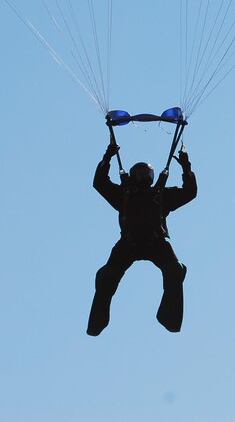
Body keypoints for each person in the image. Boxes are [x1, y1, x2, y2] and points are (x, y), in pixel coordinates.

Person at [87, 141, 197, 336]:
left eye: (147, 174)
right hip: (129, 243)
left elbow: (190, 192)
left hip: (156, 242)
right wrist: (107, 157)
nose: (145, 177)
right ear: (133, 176)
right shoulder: (123, 194)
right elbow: (100, 183)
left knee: (175, 270)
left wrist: (186, 167)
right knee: (106, 277)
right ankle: (97, 321)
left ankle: (169, 317)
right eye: (141, 173)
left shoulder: (162, 195)